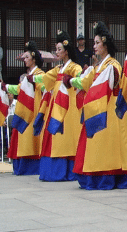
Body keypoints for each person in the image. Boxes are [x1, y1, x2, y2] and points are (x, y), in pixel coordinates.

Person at [70, 21, 127, 190]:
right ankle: (94, 174)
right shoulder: (98, 66)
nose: (94, 46)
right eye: (94, 42)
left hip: (110, 110)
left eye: (97, 42)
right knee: (97, 142)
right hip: (98, 107)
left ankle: (107, 176)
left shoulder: (113, 65)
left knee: (107, 143)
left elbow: (100, 86)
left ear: (105, 45)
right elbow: (85, 82)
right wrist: (72, 81)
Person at [32, 31, 83, 181]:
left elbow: (81, 78)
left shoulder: (74, 67)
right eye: (56, 49)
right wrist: (32, 78)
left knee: (66, 137)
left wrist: (75, 79)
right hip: (56, 105)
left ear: (66, 51)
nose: (57, 52)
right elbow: (45, 78)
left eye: (59, 49)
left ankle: (67, 171)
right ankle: (53, 171)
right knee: (53, 135)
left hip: (69, 107)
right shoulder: (58, 68)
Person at [5, 42, 45, 175]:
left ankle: (32, 167)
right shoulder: (28, 75)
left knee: (30, 137)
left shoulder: (40, 74)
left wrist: (34, 82)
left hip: (34, 110)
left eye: (27, 57)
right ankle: (21, 167)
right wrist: (6, 87)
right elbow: (19, 89)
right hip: (25, 108)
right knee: (22, 136)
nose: (25, 59)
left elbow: (44, 88)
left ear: (34, 59)